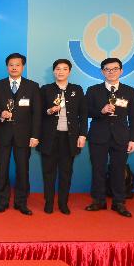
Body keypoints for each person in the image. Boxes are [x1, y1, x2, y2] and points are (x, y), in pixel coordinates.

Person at [84, 57, 134, 218]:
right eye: (107, 69)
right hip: (98, 136)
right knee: (98, 169)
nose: (111, 72)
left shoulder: (130, 91)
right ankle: (99, 201)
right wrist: (100, 111)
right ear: (102, 72)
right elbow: (86, 112)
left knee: (118, 169)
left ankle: (119, 202)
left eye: (115, 69)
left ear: (121, 71)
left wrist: (133, 139)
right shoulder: (93, 90)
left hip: (121, 137)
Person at [0, 53, 41, 215]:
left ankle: (21, 202)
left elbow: (37, 114)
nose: (14, 68)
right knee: (2, 169)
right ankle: (2, 201)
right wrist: (0, 113)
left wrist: (35, 135)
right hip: (3, 134)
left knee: (22, 169)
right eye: (11, 65)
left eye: (17, 65)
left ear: (22, 67)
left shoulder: (32, 86)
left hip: (24, 136)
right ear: (7, 67)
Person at [38, 59, 87, 215]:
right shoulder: (45, 89)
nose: (61, 72)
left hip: (69, 137)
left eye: (64, 69)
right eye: (58, 69)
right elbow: (38, 113)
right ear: (54, 72)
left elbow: (83, 114)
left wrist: (83, 135)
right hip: (50, 137)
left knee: (66, 172)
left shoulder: (77, 90)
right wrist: (49, 111)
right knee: (48, 172)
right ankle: (49, 202)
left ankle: (63, 203)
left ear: (69, 72)